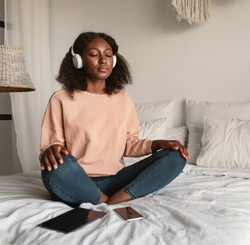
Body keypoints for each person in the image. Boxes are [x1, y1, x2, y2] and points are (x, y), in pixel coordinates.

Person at [39, 31, 189, 206]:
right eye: (94, 54)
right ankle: (103, 199)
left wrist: (157, 144)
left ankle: (118, 197)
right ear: (78, 60)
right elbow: (52, 146)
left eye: (108, 55)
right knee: (55, 168)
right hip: (77, 178)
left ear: (114, 61)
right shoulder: (61, 98)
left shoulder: (122, 98)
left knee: (176, 156)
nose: (103, 60)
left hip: (116, 180)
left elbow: (129, 144)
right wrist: (51, 149)